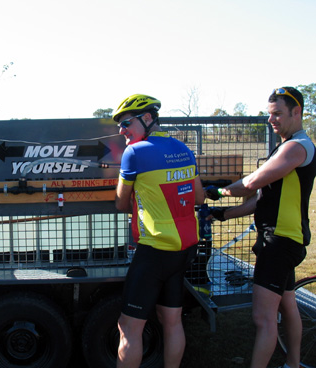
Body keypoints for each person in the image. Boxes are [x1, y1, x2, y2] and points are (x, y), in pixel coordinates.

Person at [206, 87, 315, 368]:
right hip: (285, 240)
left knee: (263, 318)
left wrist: (216, 192)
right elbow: (260, 200)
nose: (271, 120)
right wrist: (221, 214)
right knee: (288, 306)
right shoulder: (288, 145)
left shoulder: (296, 147)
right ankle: (292, 364)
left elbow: (252, 184)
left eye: (277, 113)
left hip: (278, 243)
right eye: (269, 114)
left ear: (297, 112)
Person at [113, 94, 205, 368]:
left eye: (126, 122)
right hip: (184, 249)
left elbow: (120, 202)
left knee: (128, 328)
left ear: (148, 118)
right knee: (172, 320)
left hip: (154, 252)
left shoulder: (134, 153)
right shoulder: (183, 148)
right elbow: (199, 198)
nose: (121, 130)